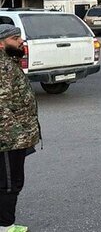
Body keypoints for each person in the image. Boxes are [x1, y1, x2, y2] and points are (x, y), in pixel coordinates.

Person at [0, 24, 40, 232]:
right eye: (15, 38)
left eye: (20, 37)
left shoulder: (9, 62)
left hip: (14, 137)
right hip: (8, 139)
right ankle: (6, 227)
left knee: (9, 182)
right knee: (10, 183)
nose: (21, 41)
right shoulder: (3, 67)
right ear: (1, 43)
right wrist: (17, 135)